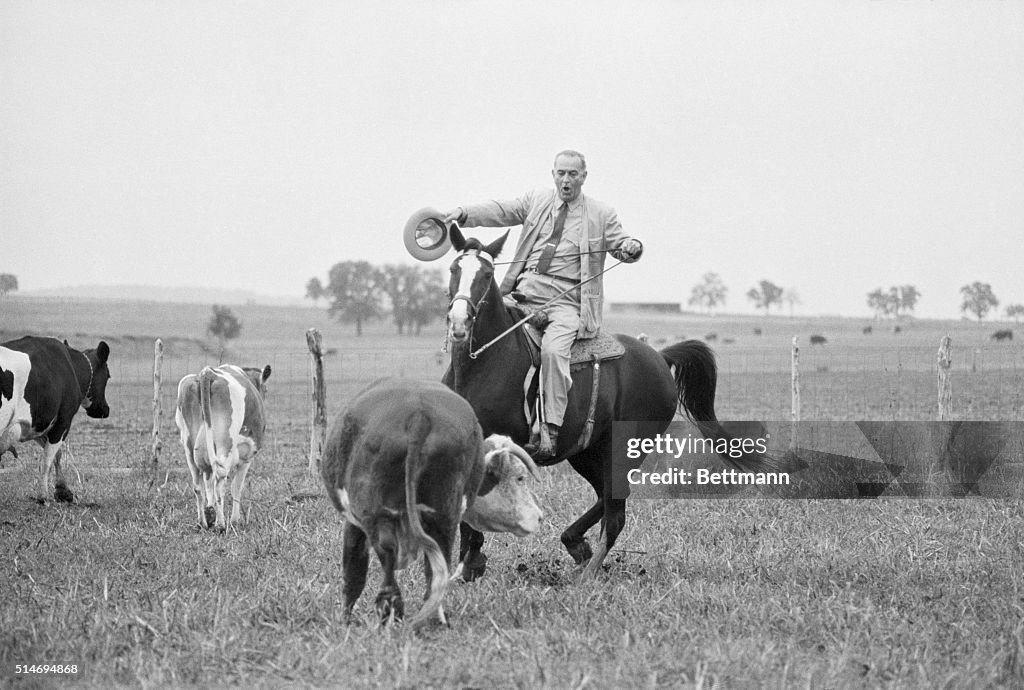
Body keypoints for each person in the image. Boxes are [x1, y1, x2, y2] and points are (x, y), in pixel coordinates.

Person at [444, 150, 643, 460]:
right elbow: (502, 210)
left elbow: (622, 243)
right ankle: (452, 404)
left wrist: (632, 247)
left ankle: (547, 429)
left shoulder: (602, 214)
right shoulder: (537, 200)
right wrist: (463, 213)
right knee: (473, 324)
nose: (566, 179)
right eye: (561, 173)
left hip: (567, 305)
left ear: (583, 177)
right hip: (523, 294)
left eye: (573, 174)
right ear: (553, 174)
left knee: (552, 350)